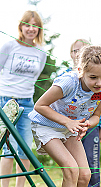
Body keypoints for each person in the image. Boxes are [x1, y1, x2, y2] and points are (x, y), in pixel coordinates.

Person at [28, 45, 101, 187]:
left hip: (69, 127)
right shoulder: (69, 82)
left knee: (85, 174)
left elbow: (96, 116)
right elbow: (39, 106)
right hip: (46, 125)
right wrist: (68, 122)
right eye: (93, 77)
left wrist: (87, 124)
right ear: (81, 71)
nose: (99, 83)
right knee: (71, 170)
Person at [0, 10, 46, 187]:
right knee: (8, 147)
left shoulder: (41, 53)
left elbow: (34, 78)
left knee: (26, 149)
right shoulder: (10, 46)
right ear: (21, 26)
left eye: (35, 26)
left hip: (27, 103)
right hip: (6, 100)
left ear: (39, 29)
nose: (31, 29)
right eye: (27, 24)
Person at [70, 39, 101, 187]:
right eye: (75, 51)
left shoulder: (100, 81)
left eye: (82, 50)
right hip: (72, 126)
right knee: (74, 166)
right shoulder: (68, 78)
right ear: (72, 54)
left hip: (91, 125)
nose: (78, 53)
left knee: (92, 161)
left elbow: (99, 108)